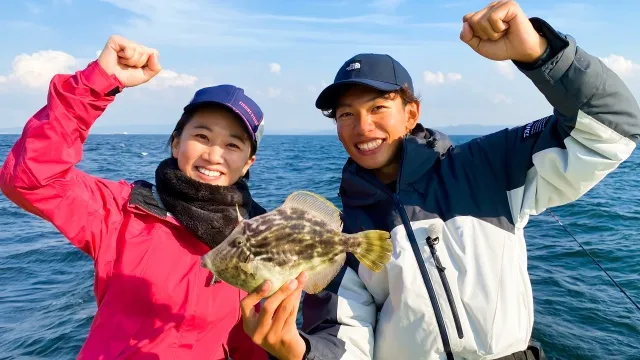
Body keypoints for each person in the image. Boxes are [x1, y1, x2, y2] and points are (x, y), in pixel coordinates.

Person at [238, 1, 640, 359]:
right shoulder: (344, 229)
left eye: (379, 107)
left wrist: (540, 54)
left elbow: (611, 128)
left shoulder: (487, 165)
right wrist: (300, 352)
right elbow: (347, 339)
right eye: (346, 114)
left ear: (411, 114)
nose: (363, 126)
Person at [0, 35, 269, 359]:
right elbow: (30, 178)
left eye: (232, 145)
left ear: (247, 163)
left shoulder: (259, 236)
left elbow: (250, 344)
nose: (214, 155)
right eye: (201, 136)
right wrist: (96, 84)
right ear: (175, 143)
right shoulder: (123, 209)